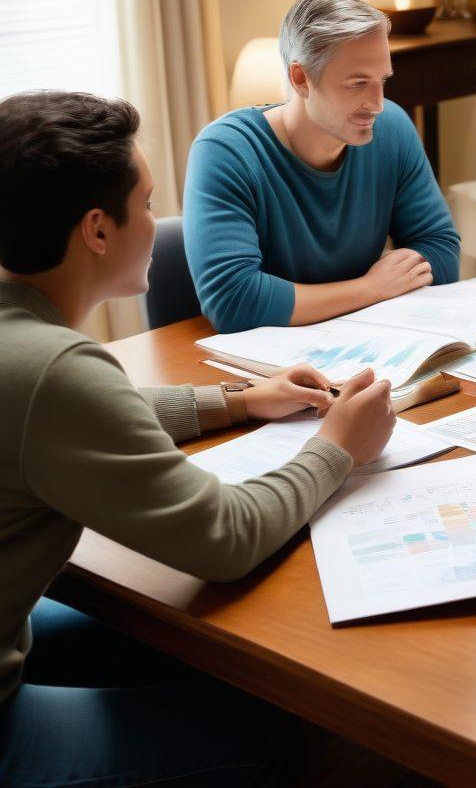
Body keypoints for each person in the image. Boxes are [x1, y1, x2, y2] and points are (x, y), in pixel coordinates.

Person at [0, 90, 396, 786]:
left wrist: (237, 401)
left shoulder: (26, 352)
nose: (160, 222)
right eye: (149, 202)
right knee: (270, 728)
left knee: (186, 655)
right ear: (97, 229)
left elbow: (77, 415)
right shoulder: (55, 373)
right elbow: (225, 538)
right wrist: (339, 447)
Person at [184, 0, 461, 334]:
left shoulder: (391, 128)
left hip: (361, 342)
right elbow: (234, 302)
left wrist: (359, 294)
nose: (377, 103)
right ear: (301, 79)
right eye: (357, 83)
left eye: (382, 81)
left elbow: (442, 251)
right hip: (264, 371)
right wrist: (371, 288)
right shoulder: (226, 152)